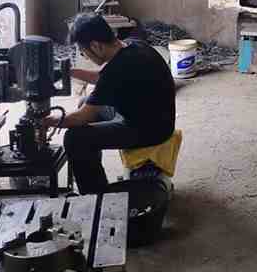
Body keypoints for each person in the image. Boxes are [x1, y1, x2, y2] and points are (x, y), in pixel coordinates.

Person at [43, 13, 176, 194]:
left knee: (75, 139)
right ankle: (93, 170)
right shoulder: (132, 45)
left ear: (96, 46)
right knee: (84, 101)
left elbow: (81, 117)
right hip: (152, 116)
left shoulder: (117, 69)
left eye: (83, 52)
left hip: (150, 130)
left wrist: (47, 121)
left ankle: (96, 194)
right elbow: (102, 78)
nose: (85, 57)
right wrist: (69, 72)